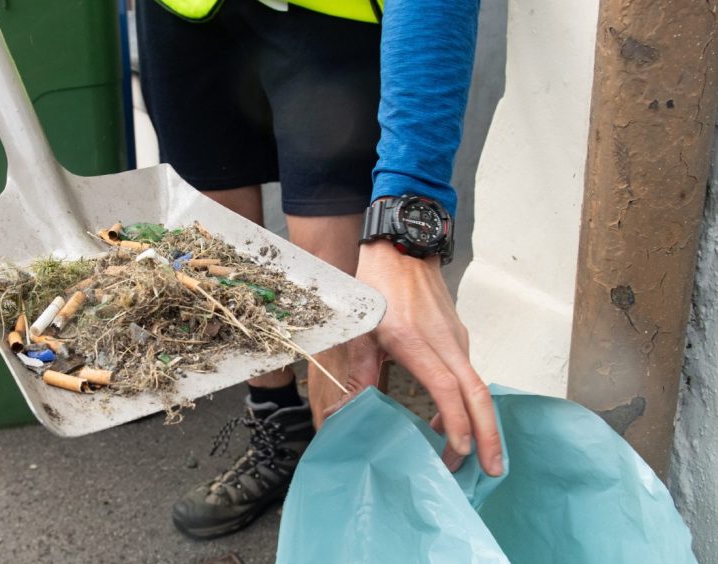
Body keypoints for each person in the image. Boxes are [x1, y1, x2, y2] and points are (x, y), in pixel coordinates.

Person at [135, 0, 502, 540]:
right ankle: (276, 428)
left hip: (326, 15)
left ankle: (348, 478)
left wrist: (409, 204)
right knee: (214, 236)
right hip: (182, 13)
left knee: (329, 289)